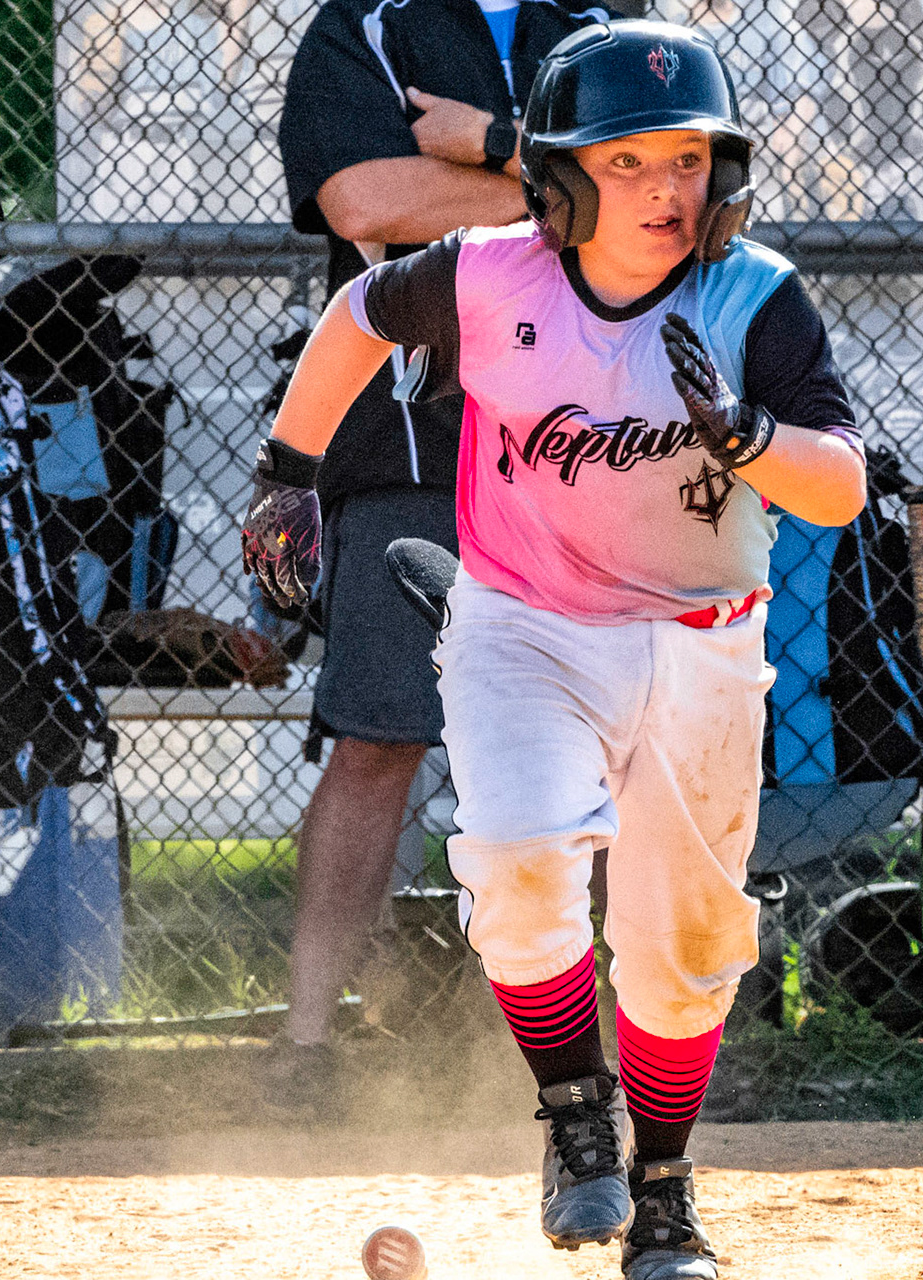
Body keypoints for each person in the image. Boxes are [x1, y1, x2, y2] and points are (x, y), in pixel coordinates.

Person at [245, 20, 866, 1278]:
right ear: (562, 182)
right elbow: (362, 315)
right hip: (523, 621)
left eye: (688, 162)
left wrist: (747, 434)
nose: (666, 192)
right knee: (522, 858)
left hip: (699, 644)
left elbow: (842, 486)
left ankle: (668, 1188)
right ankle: (581, 1118)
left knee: (682, 948)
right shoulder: (489, 273)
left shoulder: (755, 296)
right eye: (627, 164)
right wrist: (288, 468)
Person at [272, 0, 609, 1079]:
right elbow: (365, 199)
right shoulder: (366, 24)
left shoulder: (605, 25)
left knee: (601, 746)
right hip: (407, 442)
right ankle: (307, 1042)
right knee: (378, 735)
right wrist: (561, 189)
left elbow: (665, 199)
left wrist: (495, 148)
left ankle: (592, 1040)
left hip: (589, 447)